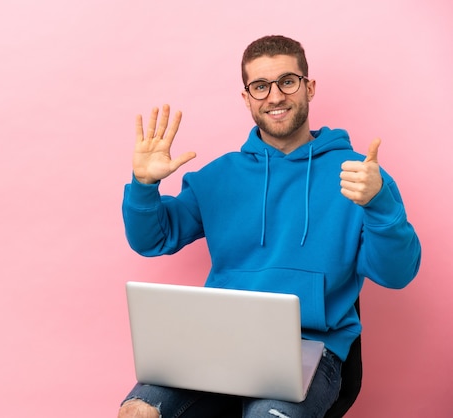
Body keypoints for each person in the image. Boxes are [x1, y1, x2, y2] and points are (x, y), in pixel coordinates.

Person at [118, 35, 422, 418]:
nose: (275, 96)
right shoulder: (218, 176)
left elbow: (397, 275)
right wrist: (144, 186)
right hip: (217, 340)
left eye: (287, 81)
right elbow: (152, 239)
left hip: (308, 347)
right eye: (260, 86)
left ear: (308, 87)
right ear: (246, 98)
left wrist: (380, 205)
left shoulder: (359, 176)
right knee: (138, 412)